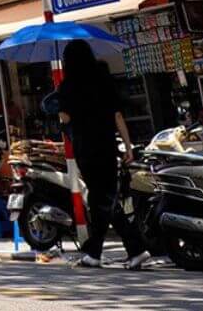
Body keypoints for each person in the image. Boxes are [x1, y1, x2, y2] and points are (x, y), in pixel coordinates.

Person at [56, 39, 150, 270]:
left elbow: (65, 119)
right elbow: (118, 116)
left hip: (86, 149)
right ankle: (106, 250)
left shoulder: (68, 86)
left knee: (102, 200)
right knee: (105, 199)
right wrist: (128, 147)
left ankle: (121, 249)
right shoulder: (103, 80)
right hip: (107, 147)